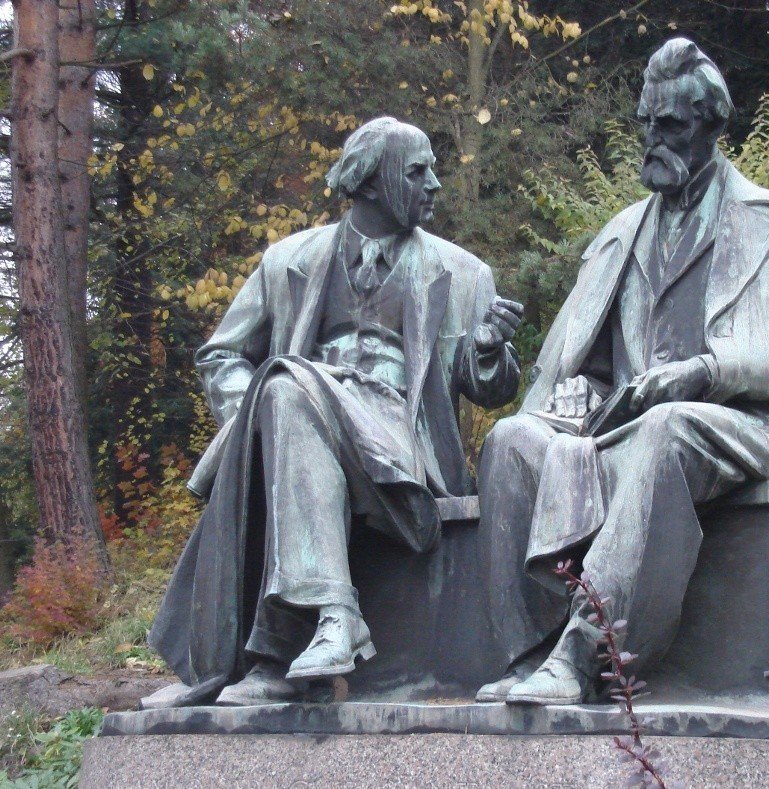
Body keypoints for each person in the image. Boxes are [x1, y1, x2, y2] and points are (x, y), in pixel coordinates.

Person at [474, 39, 769, 706]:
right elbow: (593, 363)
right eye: (646, 122)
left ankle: (586, 650)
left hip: (748, 423)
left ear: (711, 126)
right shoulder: (622, 233)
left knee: (668, 428)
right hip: (627, 425)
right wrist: (581, 391)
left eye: (671, 124)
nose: (652, 138)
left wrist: (698, 374)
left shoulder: (765, 224)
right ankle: (529, 653)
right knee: (512, 440)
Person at [148, 117, 523, 707]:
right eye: (417, 172)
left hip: (400, 447)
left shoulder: (464, 273)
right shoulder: (287, 261)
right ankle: (323, 624)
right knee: (283, 397)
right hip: (305, 430)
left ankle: (274, 655)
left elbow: (490, 390)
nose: (435, 185)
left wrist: (489, 350)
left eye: (433, 171)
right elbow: (222, 355)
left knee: (285, 389)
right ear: (370, 182)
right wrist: (253, 424)